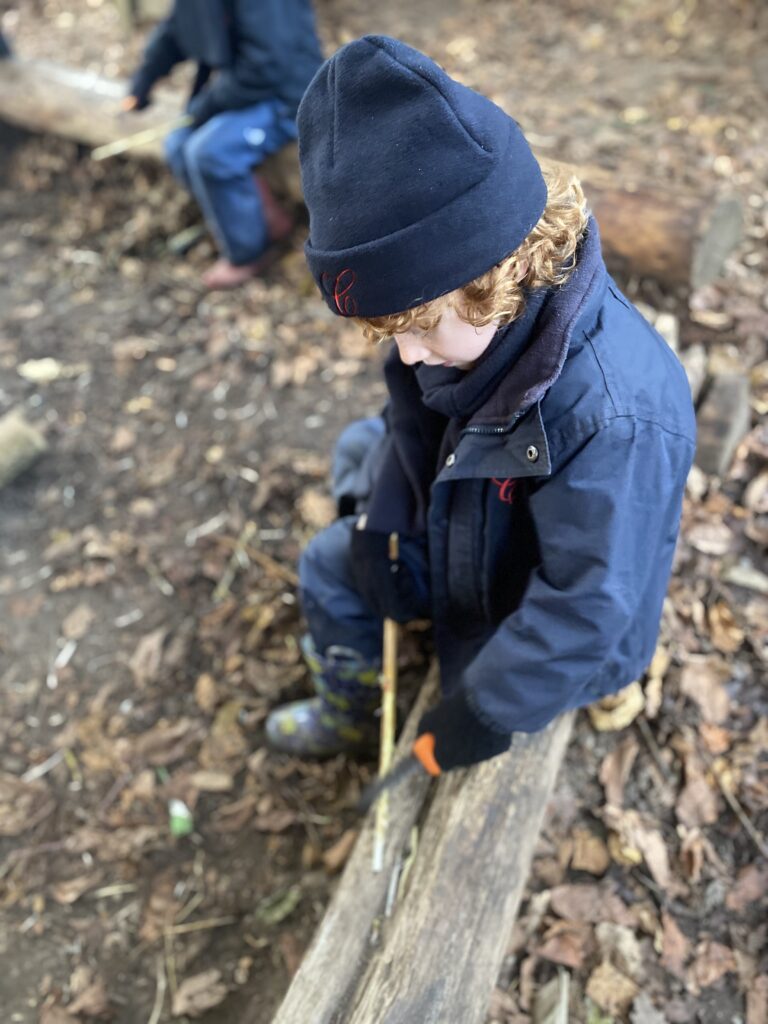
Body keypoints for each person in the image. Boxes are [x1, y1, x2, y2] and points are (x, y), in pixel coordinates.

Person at [265, 36, 696, 776]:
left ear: (494, 275)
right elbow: (417, 419)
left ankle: (374, 703)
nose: (405, 354)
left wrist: (481, 713)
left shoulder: (613, 419)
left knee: (341, 570)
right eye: (389, 331)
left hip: (528, 611)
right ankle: (364, 658)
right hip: (477, 525)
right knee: (348, 486)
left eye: (419, 326)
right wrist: (387, 517)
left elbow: (588, 606)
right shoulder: (464, 325)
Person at [125, 0, 323, 290]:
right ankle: (265, 218)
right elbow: (180, 25)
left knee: (209, 152)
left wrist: (205, 107)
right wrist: (144, 79)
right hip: (247, 89)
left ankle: (247, 253)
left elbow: (267, 63)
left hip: (288, 94)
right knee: (177, 145)